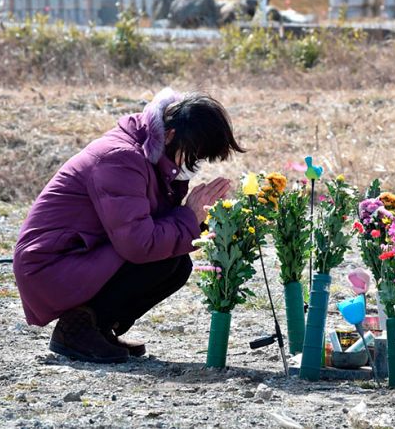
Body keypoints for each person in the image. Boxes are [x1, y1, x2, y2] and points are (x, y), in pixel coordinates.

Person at [13, 88, 243, 363]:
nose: (196, 164)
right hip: (50, 265)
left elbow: (156, 222)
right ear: (170, 136)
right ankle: (76, 331)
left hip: (78, 256)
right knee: (162, 261)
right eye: (194, 154)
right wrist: (190, 217)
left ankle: (97, 328)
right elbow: (139, 243)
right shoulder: (120, 159)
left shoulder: (153, 157)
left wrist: (209, 220)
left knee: (177, 264)